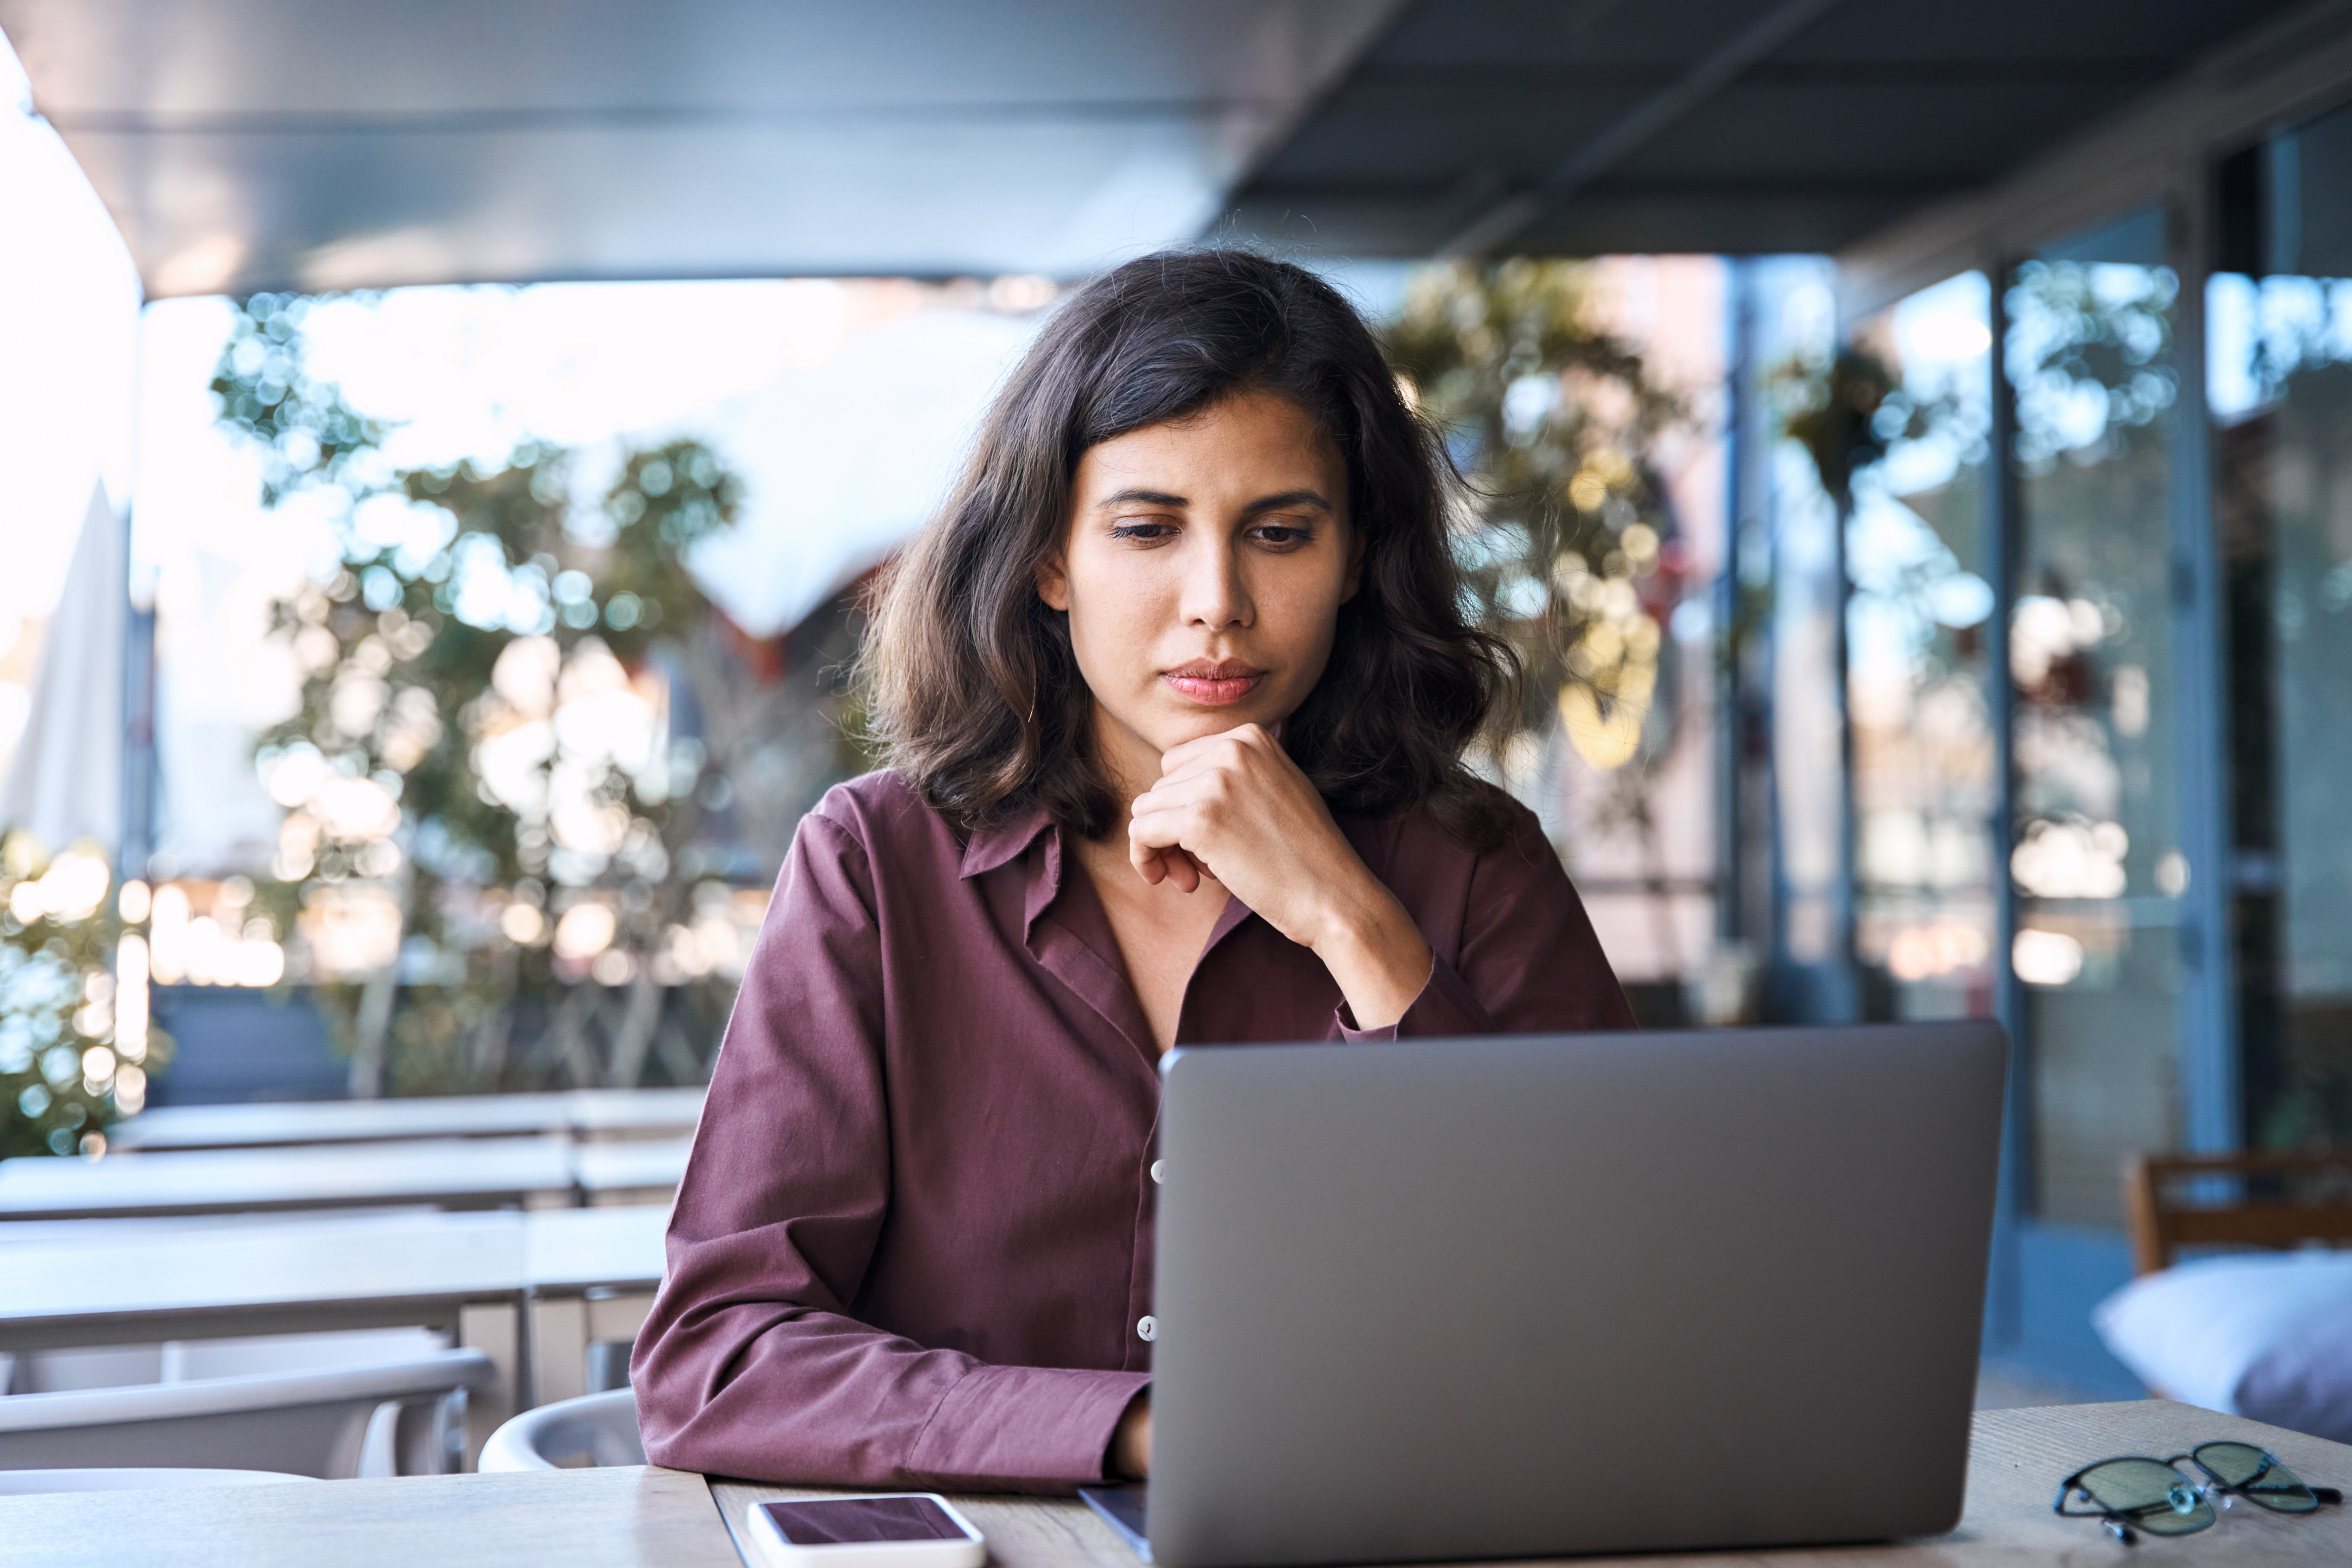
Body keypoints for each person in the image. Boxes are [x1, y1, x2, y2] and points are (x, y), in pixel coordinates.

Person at [632, 249, 1633, 1492]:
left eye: (1278, 533)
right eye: (1147, 529)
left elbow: (1601, 1315)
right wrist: (1137, 1429)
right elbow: (718, 1357)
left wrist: (1351, 921)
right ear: (1051, 559)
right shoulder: (876, 865)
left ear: (1357, 556)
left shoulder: (1475, 869)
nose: (1216, 603)